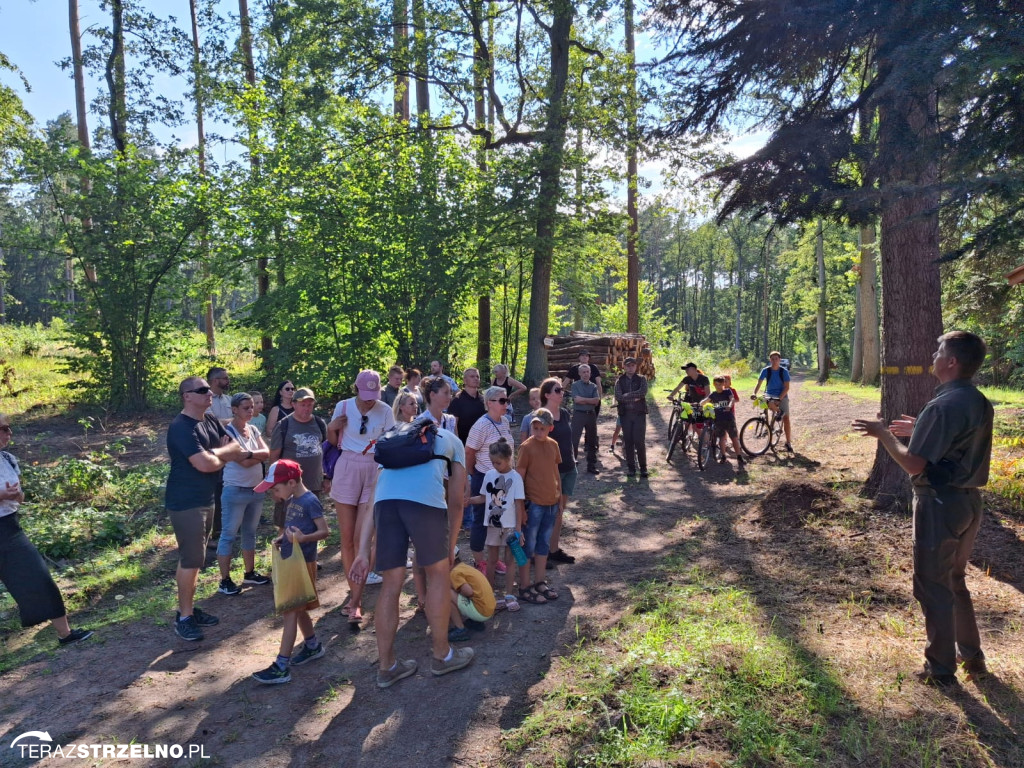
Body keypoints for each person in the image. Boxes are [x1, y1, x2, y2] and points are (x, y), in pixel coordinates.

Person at [852, 331, 993, 687]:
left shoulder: (944, 405)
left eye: (939, 351)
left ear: (951, 362)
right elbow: (959, 441)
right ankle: (972, 657)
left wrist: (884, 434)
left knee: (933, 586)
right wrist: (920, 427)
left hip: (940, 504)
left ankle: (941, 670)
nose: (933, 354)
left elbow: (915, 465)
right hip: (969, 503)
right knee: (955, 579)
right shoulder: (976, 400)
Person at [349, 404, 474, 688]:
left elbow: (371, 501)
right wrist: (451, 545)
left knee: (391, 583)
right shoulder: (452, 440)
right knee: (439, 574)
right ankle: (442, 656)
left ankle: (387, 667)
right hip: (425, 503)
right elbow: (456, 501)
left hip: (386, 506)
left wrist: (361, 553)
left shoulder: (394, 440)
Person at [0, 414, 92, 646]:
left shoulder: (8, 459)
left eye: (9, 428)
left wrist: (14, 495)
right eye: (3, 428)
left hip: (9, 527)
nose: (8, 432)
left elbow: (19, 497)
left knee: (38, 576)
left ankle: (65, 634)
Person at [166, 376, 247, 641]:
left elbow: (225, 450)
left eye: (209, 389)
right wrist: (224, 454)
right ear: (186, 396)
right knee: (191, 560)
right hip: (186, 501)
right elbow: (206, 463)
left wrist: (221, 454)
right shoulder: (180, 427)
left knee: (197, 558)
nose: (209, 393)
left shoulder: (209, 420)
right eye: (202, 390)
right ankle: (185, 617)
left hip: (207, 498)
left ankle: (188, 609)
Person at [251, 460, 329, 684]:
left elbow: (324, 531)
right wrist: (281, 537)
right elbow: (290, 527)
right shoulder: (292, 499)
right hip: (291, 561)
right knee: (298, 608)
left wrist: (304, 539)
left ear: (292, 482)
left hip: (303, 563)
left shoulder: (310, 501)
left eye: (276, 489)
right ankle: (313, 646)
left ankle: (281, 666)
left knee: (290, 612)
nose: (274, 494)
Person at [327, 370, 395, 625]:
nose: (370, 401)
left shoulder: (385, 410)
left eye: (373, 395)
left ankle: (355, 601)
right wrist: (331, 428)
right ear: (356, 388)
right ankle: (354, 597)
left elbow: (389, 443)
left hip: (374, 470)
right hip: (347, 467)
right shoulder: (342, 406)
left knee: (362, 539)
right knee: (346, 539)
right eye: (366, 395)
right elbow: (333, 442)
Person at [217, 393, 272, 595]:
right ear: (234, 409)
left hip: (256, 489)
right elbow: (245, 462)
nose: (250, 411)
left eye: (251, 407)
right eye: (245, 408)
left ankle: (250, 572)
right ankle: (225, 580)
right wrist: (252, 455)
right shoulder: (228, 433)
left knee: (250, 533)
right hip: (235, 490)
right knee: (229, 535)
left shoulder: (254, 429)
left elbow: (266, 452)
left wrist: (248, 454)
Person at [466, 439, 524, 611]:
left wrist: (519, 530)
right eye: (493, 462)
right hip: (492, 525)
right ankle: (489, 594)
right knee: (491, 560)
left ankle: (509, 594)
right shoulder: (490, 475)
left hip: (510, 527)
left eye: (498, 462)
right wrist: (468, 500)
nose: (495, 465)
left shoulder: (515, 478)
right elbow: (484, 497)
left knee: (509, 560)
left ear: (508, 459)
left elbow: (519, 504)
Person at [464, 386, 516, 575]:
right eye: (502, 401)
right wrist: (474, 474)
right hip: (485, 478)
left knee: (499, 521)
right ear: (489, 403)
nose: (506, 404)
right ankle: (480, 562)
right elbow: (469, 452)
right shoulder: (481, 425)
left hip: (504, 480)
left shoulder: (504, 421)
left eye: (507, 401)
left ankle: (495, 560)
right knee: (480, 521)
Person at [515, 409, 561, 605]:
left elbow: (555, 472)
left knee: (543, 544)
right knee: (528, 545)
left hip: (552, 502)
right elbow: (519, 477)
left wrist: (560, 499)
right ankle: (524, 586)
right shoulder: (526, 447)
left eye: (542, 428)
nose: (538, 431)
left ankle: (540, 581)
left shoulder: (553, 445)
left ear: (550, 428)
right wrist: (522, 508)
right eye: (535, 427)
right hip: (533, 504)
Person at [269, 388, 328, 529]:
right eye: (303, 405)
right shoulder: (284, 425)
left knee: (312, 525)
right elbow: (274, 457)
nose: (306, 408)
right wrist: (274, 486)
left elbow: (324, 451)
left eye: (309, 405)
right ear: (294, 404)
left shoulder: (319, 423)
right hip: (289, 487)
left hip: (313, 486)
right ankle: (284, 551)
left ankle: (308, 551)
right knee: (285, 526)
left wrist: (326, 477)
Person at [539, 378, 576, 564]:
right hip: (551, 472)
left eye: (562, 389)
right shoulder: (541, 416)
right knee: (548, 514)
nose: (561, 392)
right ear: (546, 394)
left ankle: (553, 550)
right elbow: (536, 445)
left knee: (560, 512)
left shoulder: (564, 413)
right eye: (557, 390)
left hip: (569, 467)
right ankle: (541, 553)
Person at [205, 367, 233, 540]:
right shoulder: (206, 400)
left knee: (230, 486)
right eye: (225, 378)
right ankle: (215, 531)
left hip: (232, 449)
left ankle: (230, 526)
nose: (228, 381)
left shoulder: (229, 399)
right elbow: (210, 423)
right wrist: (236, 420)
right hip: (214, 451)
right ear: (215, 381)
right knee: (217, 490)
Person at [700, 376, 745, 468]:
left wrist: (729, 405)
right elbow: (705, 401)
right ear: (713, 384)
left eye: (720, 384)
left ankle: (739, 456)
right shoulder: (713, 394)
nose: (718, 386)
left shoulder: (727, 392)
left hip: (729, 418)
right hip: (718, 419)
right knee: (721, 438)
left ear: (724, 384)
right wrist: (699, 404)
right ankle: (723, 455)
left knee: (734, 437)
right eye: (716, 384)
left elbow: (732, 399)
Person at [615, 357, 649, 478]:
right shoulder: (619, 381)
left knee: (639, 441)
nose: (631, 368)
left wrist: (627, 395)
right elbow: (618, 396)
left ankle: (643, 468)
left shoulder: (641, 379)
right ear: (624, 367)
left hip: (639, 414)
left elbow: (642, 392)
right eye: (628, 366)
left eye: (633, 365)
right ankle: (631, 468)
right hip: (626, 415)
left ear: (636, 367)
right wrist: (633, 397)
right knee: (628, 441)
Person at [752, 352, 793, 451]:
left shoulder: (784, 371)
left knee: (786, 419)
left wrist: (779, 399)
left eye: (776, 359)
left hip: (782, 395)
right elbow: (759, 383)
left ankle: (788, 442)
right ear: (770, 360)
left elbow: (787, 387)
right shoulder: (765, 370)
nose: (774, 361)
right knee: (762, 400)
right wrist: (754, 393)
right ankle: (768, 422)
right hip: (769, 394)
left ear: (779, 360)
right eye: (772, 359)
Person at [447, 561, 497, 642]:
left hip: (481, 612)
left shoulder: (454, 573)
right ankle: (476, 622)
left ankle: (460, 629)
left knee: (446, 593)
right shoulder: (464, 567)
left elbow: (468, 592)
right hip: (489, 608)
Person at [570, 363, 601, 474]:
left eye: (587, 372)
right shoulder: (575, 385)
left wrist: (583, 399)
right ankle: (572, 464)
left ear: (590, 373)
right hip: (579, 414)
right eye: (583, 372)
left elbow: (596, 401)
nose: (586, 374)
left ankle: (591, 465)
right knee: (574, 440)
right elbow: (576, 400)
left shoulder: (593, 386)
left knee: (592, 441)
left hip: (591, 415)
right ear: (579, 374)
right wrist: (589, 400)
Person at [449, 368, 487, 444]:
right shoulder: (457, 400)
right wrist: (457, 444)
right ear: (465, 380)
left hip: (483, 443)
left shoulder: (484, 399)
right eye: (472, 376)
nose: (476, 378)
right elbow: (453, 425)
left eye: (477, 376)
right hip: (464, 444)